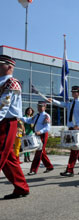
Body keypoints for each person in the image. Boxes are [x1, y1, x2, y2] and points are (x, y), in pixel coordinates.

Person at [0, 54, 29, 199]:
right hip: (3, 122)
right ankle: (21, 187)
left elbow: (3, 106)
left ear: (10, 66)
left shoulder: (12, 82)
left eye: (1, 64)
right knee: (9, 159)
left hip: (6, 122)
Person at [47, 86, 79, 177]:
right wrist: (53, 101)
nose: (73, 93)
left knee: (75, 150)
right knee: (77, 149)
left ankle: (70, 170)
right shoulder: (71, 103)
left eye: (75, 92)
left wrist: (78, 125)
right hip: (72, 128)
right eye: (72, 92)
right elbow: (61, 104)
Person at [21, 101, 54, 175]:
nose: (39, 108)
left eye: (41, 106)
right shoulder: (37, 115)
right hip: (36, 135)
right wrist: (20, 117)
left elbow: (47, 127)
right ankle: (49, 166)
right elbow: (29, 120)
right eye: (38, 106)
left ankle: (33, 170)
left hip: (42, 135)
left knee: (39, 152)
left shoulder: (46, 116)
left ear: (45, 107)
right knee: (42, 152)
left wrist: (40, 131)